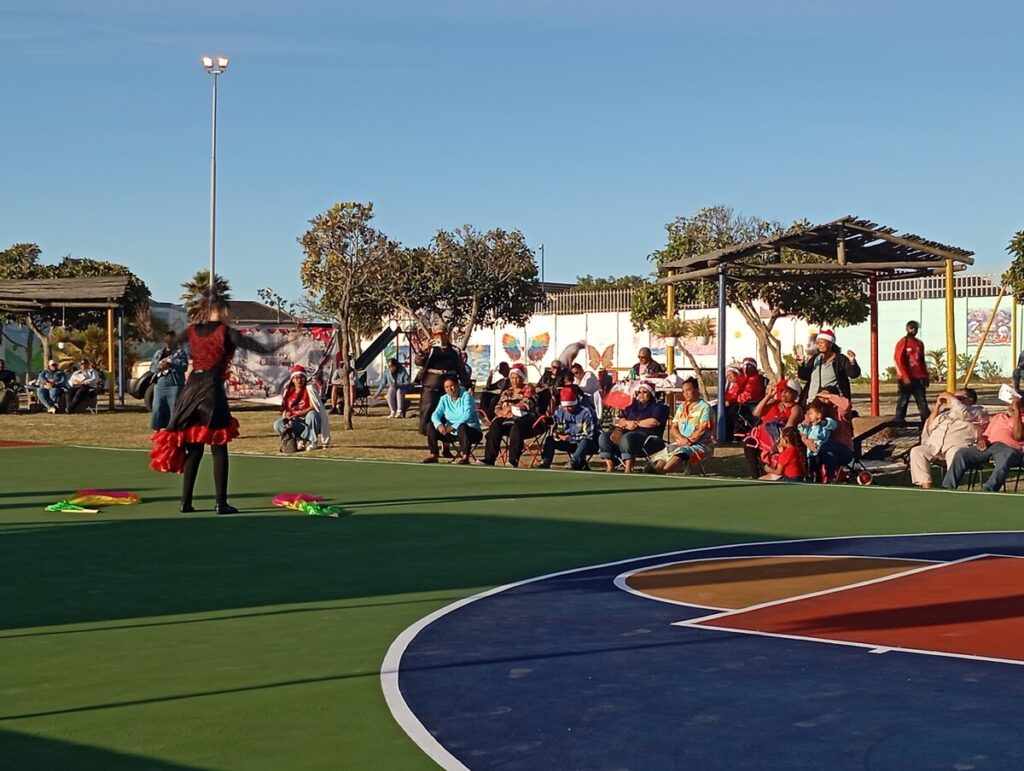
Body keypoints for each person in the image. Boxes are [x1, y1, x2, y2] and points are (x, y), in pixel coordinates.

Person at [150, 298, 282, 514]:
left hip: (191, 389)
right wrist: (286, 341)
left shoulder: (192, 330)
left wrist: (152, 331)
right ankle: (221, 503)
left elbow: (170, 341)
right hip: (211, 388)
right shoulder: (226, 332)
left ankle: (185, 502)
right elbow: (258, 347)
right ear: (221, 311)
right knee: (219, 447)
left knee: (194, 447)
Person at [909, 389, 988, 488]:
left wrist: (952, 398)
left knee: (955, 454)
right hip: (935, 445)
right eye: (955, 397)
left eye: (959, 398)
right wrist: (938, 405)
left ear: (970, 400)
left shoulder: (977, 411)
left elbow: (963, 412)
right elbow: (930, 426)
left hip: (956, 446)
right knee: (917, 451)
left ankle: (949, 488)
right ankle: (927, 487)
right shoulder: (945, 414)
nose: (955, 400)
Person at [942, 398, 1024, 492]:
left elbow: (1018, 436)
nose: (1012, 407)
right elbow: (985, 434)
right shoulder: (999, 416)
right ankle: (947, 487)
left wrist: (1017, 412)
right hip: (990, 446)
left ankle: (988, 490)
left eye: (1016, 405)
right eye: (1012, 404)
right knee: (962, 454)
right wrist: (982, 440)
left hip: (1010, 449)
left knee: (1005, 458)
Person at [644, 377, 712, 475]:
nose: (686, 393)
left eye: (688, 390)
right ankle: (657, 469)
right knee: (667, 450)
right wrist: (681, 439)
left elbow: (702, 429)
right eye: (683, 391)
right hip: (681, 442)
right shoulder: (681, 407)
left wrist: (688, 441)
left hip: (700, 444)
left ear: (696, 390)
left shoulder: (705, 407)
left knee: (681, 452)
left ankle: (663, 471)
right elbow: (674, 426)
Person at [598, 381, 668, 473]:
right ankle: (610, 466)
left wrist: (635, 423)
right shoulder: (631, 407)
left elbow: (654, 422)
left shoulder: (659, 407)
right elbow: (620, 420)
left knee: (627, 437)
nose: (641, 394)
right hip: (627, 435)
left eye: (644, 392)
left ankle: (628, 468)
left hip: (648, 438)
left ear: (651, 393)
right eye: (639, 392)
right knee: (604, 437)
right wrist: (627, 422)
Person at [743, 379, 805, 479]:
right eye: (782, 391)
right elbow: (756, 413)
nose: (783, 394)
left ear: (795, 394)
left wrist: (778, 442)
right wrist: (768, 396)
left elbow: (789, 426)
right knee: (749, 443)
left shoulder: (796, 408)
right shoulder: (774, 403)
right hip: (761, 438)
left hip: (778, 439)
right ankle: (755, 475)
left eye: (787, 392)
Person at [414, 321, 465, 440]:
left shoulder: (454, 350)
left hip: (449, 388)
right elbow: (418, 362)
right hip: (431, 386)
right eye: (437, 334)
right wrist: (423, 350)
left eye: (442, 334)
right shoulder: (430, 349)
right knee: (429, 414)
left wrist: (467, 385)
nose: (440, 337)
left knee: (449, 415)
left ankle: (446, 444)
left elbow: (461, 369)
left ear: (447, 334)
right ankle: (432, 443)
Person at [482, 364, 539, 467]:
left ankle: (513, 460)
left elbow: (526, 404)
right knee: (496, 424)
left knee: (516, 427)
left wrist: (510, 409)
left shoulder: (528, 389)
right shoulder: (507, 392)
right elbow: (498, 406)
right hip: (507, 419)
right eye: (512, 377)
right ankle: (489, 458)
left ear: (522, 378)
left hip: (526, 422)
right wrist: (500, 412)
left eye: (517, 377)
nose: (514, 380)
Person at [425, 375, 483, 465]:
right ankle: (434, 455)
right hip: (452, 433)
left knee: (462, 426)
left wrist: (453, 427)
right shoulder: (444, 399)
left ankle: (465, 457)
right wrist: (439, 424)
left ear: (457, 385)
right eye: (446, 387)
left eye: (451, 386)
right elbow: (435, 414)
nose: (449, 389)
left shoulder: (466, 396)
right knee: (431, 426)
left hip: (471, 431)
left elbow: (468, 414)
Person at [540, 386, 599, 470]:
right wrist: (558, 434)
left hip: (587, 444)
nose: (567, 409)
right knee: (550, 440)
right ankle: (545, 461)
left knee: (585, 441)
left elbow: (589, 435)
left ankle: (573, 462)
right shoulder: (560, 411)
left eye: (570, 406)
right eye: (565, 406)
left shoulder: (586, 412)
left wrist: (570, 438)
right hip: (568, 442)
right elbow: (559, 427)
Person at [274, 365, 331, 451]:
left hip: (311, 422)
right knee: (278, 424)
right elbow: (288, 410)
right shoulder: (289, 392)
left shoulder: (309, 388)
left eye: (301, 377)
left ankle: (312, 441)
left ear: (305, 378)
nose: (299, 380)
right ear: (292, 379)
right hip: (296, 422)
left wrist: (297, 414)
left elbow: (313, 407)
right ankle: (294, 440)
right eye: (296, 378)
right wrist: (288, 418)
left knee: (312, 415)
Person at [796, 330, 860, 402]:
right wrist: (801, 364)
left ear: (830, 344)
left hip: (833, 402)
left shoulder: (840, 359)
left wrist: (852, 361)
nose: (819, 345)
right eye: (818, 343)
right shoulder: (815, 358)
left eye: (821, 343)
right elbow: (804, 376)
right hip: (813, 400)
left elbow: (853, 374)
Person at [150, 331, 189, 430]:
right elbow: (152, 368)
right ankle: (157, 429)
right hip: (160, 383)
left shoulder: (180, 353)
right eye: (167, 341)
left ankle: (173, 429)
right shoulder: (159, 353)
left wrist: (171, 364)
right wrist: (160, 366)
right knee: (157, 408)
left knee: (173, 408)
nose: (168, 344)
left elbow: (184, 366)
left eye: (171, 341)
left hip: (174, 384)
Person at [894, 320, 929, 425]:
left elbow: (922, 361)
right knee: (903, 400)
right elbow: (898, 360)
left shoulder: (919, 343)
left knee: (922, 400)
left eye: (915, 328)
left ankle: (926, 420)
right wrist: (904, 376)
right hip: (906, 378)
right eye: (911, 328)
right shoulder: (903, 342)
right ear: (907, 329)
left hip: (918, 377)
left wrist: (926, 376)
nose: (913, 330)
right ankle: (899, 420)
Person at [800, 403, 838, 482]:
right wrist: (803, 427)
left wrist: (823, 422)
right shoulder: (810, 426)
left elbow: (833, 425)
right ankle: (810, 477)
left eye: (811, 413)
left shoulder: (823, 425)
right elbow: (804, 433)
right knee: (811, 466)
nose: (809, 416)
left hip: (821, 449)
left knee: (822, 464)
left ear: (819, 415)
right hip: (811, 451)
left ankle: (827, 476)